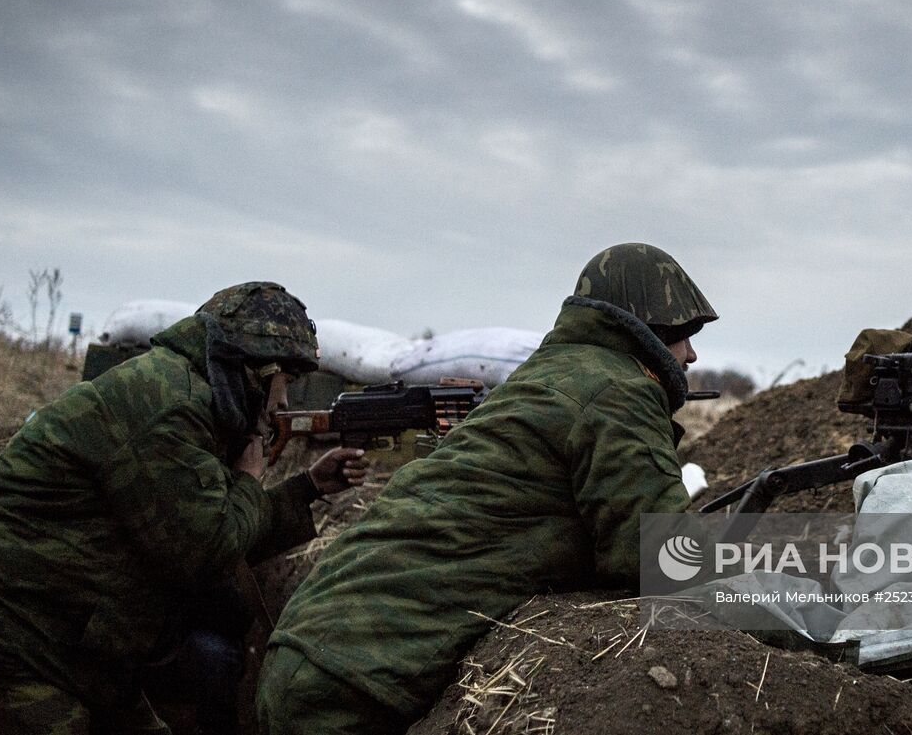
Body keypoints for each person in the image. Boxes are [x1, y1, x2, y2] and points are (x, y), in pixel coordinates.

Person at [256, 243, 718, 735]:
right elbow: (661, 558)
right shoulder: (618, 390)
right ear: (649, 333)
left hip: (315, 649)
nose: (692, 354)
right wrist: (797, 609)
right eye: (685, 335)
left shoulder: (549, 376)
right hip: (348, 682)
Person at [0, 282, 370, 735]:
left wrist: (307, 487)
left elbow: (207, 523)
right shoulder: (167, 407)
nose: (283, 402)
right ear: (251, 372)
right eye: (283, 382)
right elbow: (206, 552)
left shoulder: (191, 403)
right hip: (16, 637)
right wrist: (248, 478)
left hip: (83, 647)